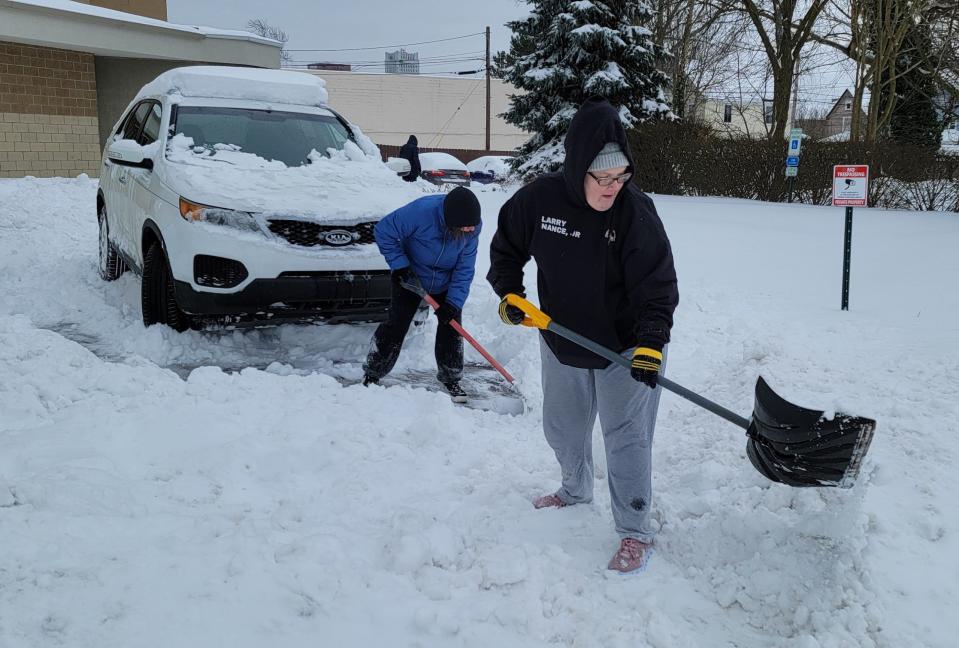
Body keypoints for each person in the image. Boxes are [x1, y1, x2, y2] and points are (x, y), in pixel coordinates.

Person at [487, 97, 679, 574]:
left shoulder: (636, 212)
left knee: (626, 438)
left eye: (621, 177)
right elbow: (506, 246)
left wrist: (652, 343)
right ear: (578, 169)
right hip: (561, 337)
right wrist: (510, 293)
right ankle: (574, 489)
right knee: (563, 427)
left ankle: (634, 531)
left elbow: (659, 284)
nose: (613, 187)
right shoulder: (539, 200)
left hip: (628, 344)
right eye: (603, 178)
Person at [363, 187, 482, 402]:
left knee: (452, 327)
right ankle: (373, 372)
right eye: (464, 227)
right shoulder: (421, 212)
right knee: (397, 324)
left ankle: (451, 377)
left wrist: (453, 303)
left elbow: (465, 267)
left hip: (447, 281)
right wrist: (400, 266)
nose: (470, 230)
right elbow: (384, 231)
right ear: (451, 221)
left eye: (472, 227)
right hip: (411, 276)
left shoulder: (472, 228)